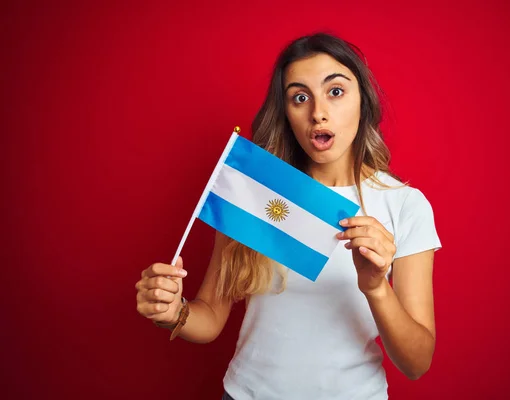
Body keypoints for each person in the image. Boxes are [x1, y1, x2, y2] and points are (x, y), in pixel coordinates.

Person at [135, 32, 442, 400]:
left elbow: (416, 362)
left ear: (363, 100)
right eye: (300, 97)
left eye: (336, 91)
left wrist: (376, 287)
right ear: (286, 112)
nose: (318, 113)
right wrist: (174, 312)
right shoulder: (256, 191)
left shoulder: (405, 205)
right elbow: (210, 318)